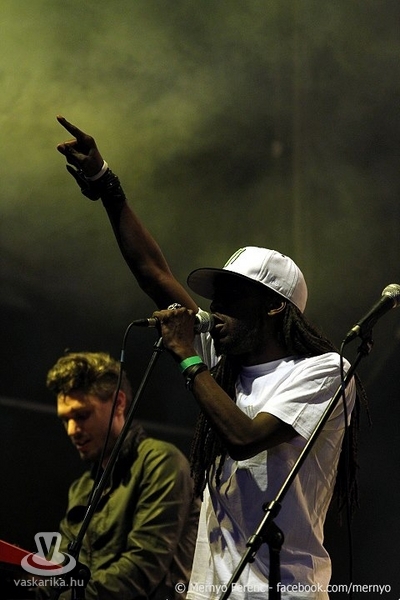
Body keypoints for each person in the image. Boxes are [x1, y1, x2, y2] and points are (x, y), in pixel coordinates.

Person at [55, 116, 367, 600]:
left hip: (283, 591)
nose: (214, 308)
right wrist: (107, 186)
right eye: (214, 297)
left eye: (230, 297)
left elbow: (246, 439)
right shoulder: (224, 360)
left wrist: (186, 356)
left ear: (274, 307)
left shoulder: (323, 371)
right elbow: (154, 273)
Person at [35, 351, 200, 600]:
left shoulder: (161, 462)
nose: (71, 430)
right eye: (65, 420)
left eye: (82, 415)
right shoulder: (82, 488)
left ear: (119, 403)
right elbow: (57, 568)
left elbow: (142, 568)